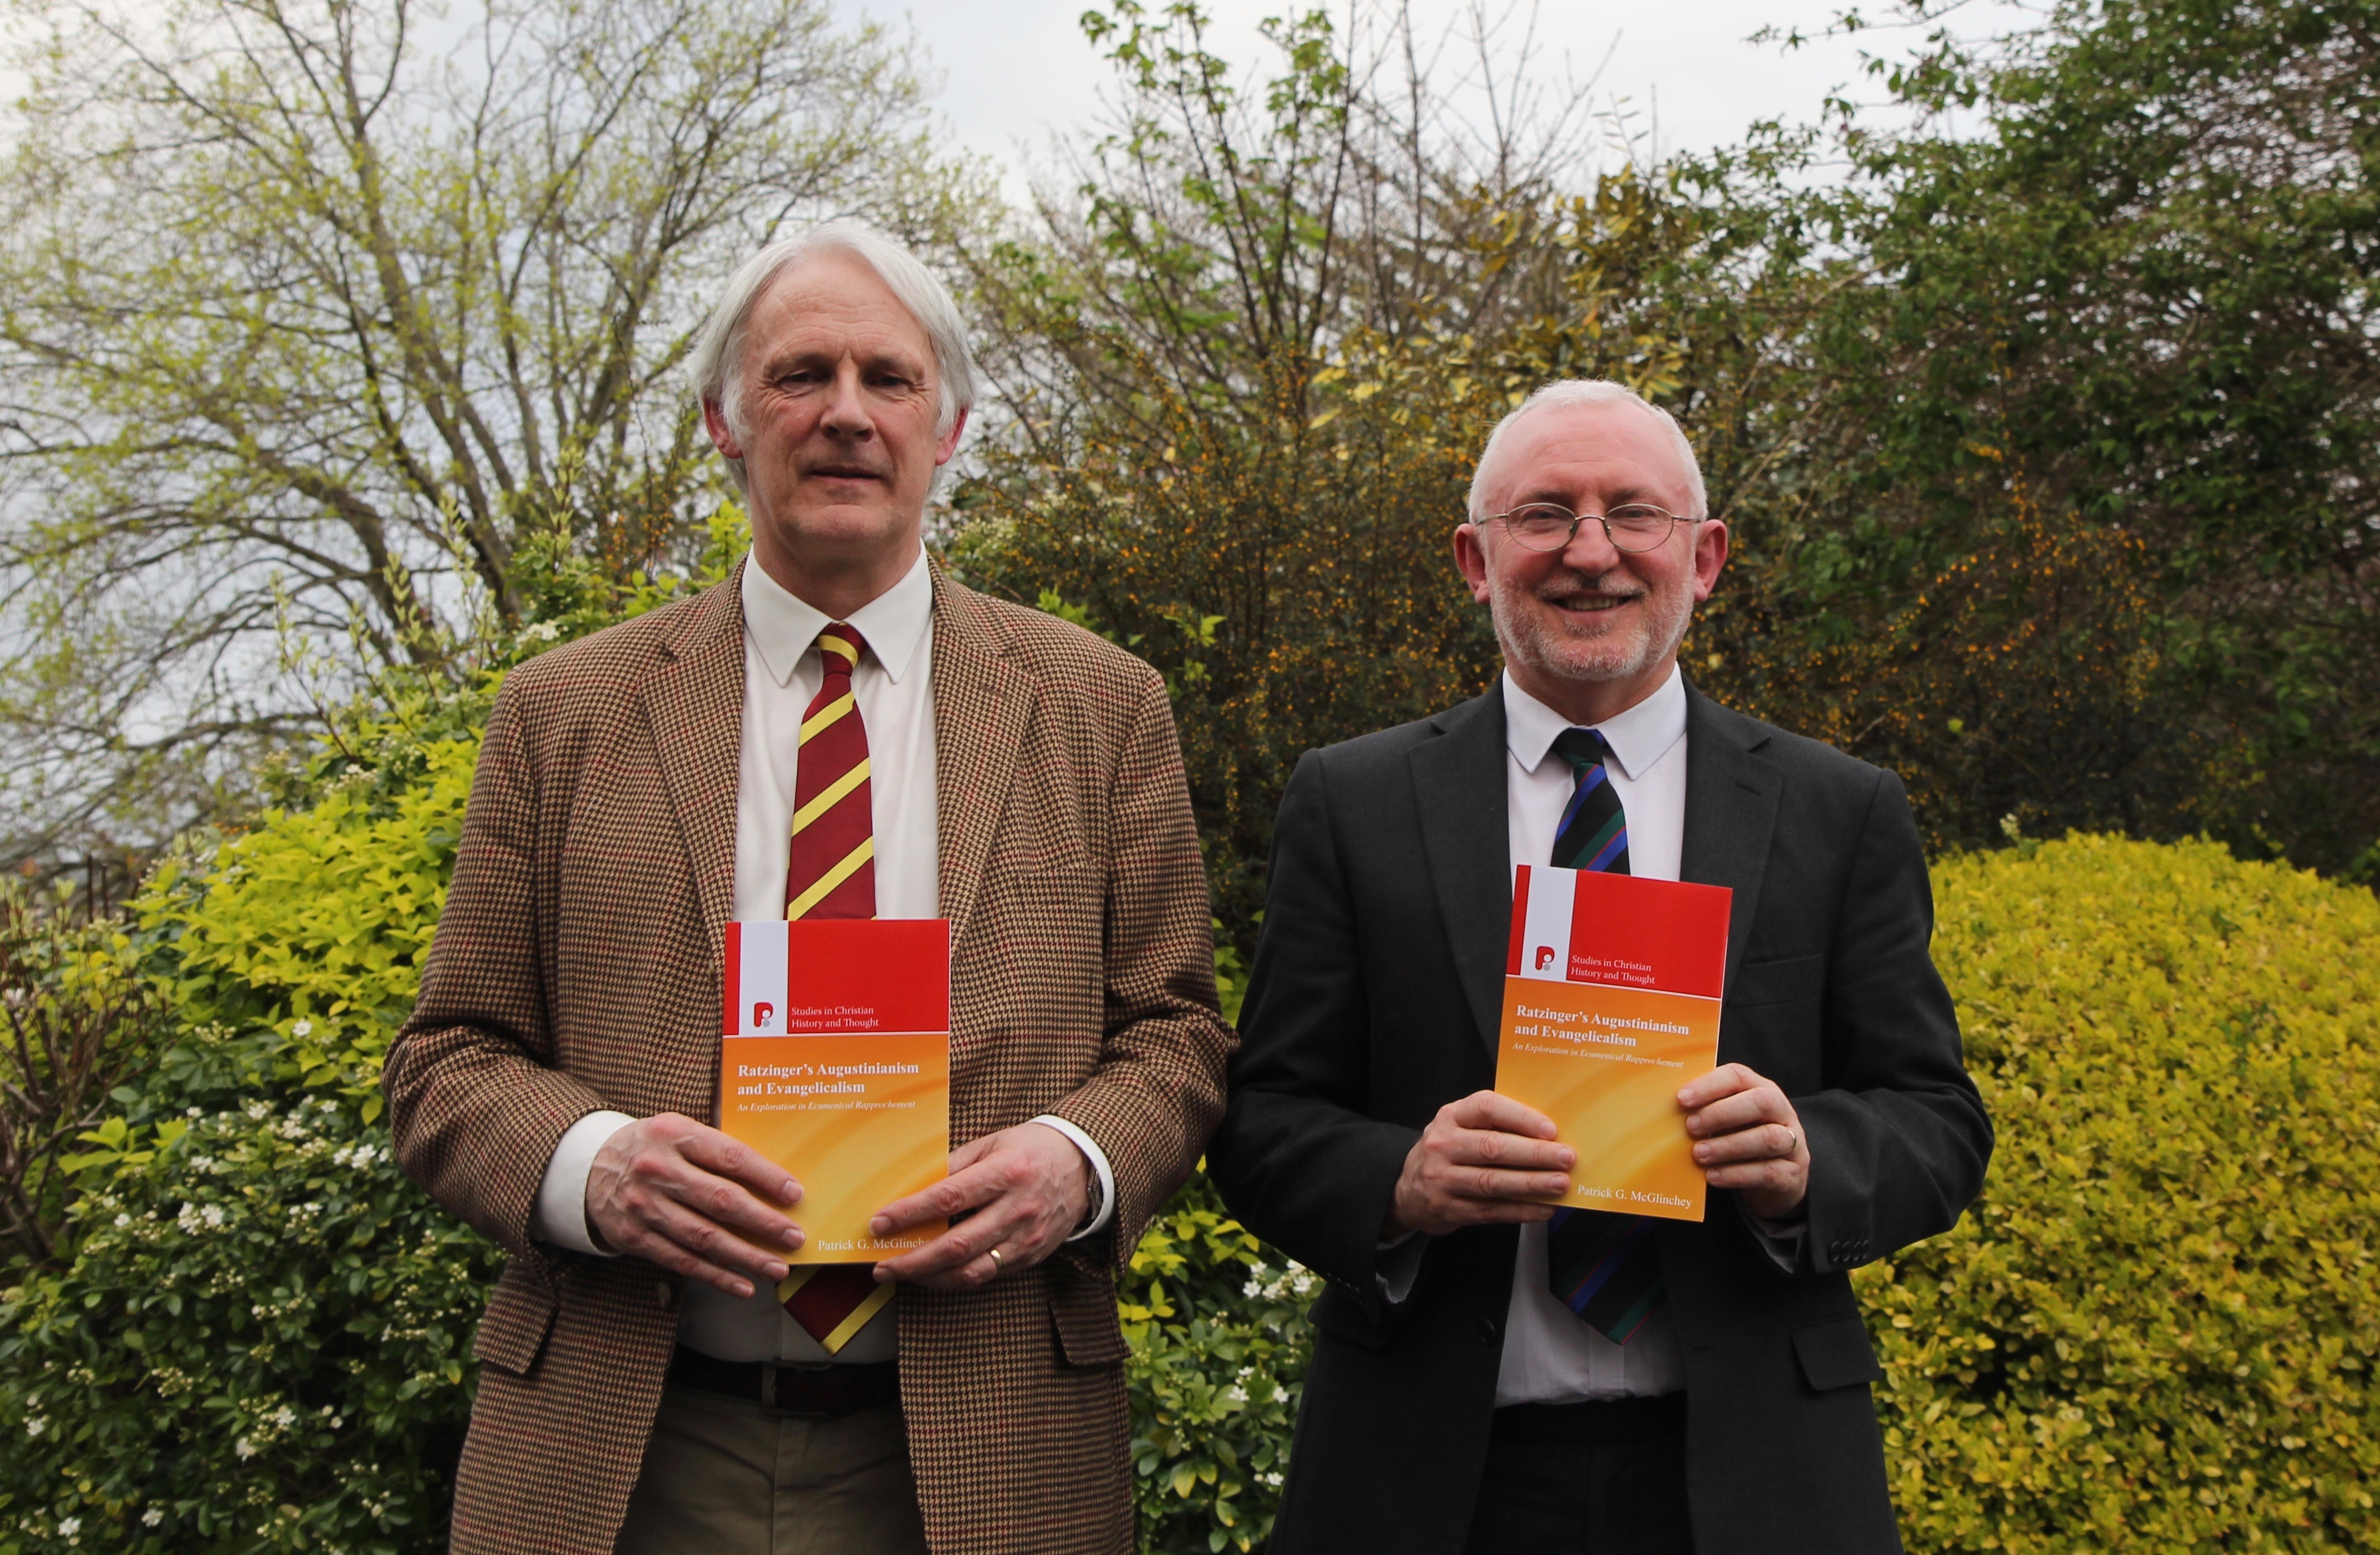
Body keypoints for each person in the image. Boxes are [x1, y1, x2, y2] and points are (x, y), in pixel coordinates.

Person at [385, 221, 1233, 1555]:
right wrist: (590, 1165)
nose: (846, 412)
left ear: (947, 427)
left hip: (988, 1441)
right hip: (637, 1439)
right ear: (724, 419)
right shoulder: (564, 712)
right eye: (801, 375)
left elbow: (1177, 1035)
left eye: (888, 379)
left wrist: (1074, 1166)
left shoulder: (1099, 704)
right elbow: (449, 1057)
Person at [1204, 379, 1992, 1554]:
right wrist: (1399, 1180)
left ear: (1705, 555)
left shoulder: (1841, 809)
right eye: (1545, 515)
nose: (1591, 552)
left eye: (1635, 513)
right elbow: (1258, 1120)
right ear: (1476, 559)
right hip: (1431, 1479)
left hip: (1753, 1481)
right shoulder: (1354, 802)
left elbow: (1939, 1119)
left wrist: (1805, 1158)